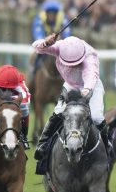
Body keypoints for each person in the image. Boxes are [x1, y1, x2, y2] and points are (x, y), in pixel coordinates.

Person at [32, 34, 111, 175]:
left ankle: (108, 150)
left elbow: (91, 79)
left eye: (76, 63)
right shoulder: (60, 47)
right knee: (58, 112)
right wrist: (46, 43)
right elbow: (36, 47)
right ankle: (42, 145)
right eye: (69, 63)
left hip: (91, 87)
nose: (72, 67)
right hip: (70, 85)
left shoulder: (90, 57)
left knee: (97, 117)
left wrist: (84, 94)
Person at [30, 0, 68, 75]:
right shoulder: (39, 19)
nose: (52, 15)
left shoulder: (63, 19)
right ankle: (33, 74)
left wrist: (62, 41)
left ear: (57, 14)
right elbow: (38, 35)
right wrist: (46, 41)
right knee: (35, 57)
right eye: (50, 13)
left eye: (54, 13)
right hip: (44, 44)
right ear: (46, 13)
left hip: (59, 46)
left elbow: (67, 34)